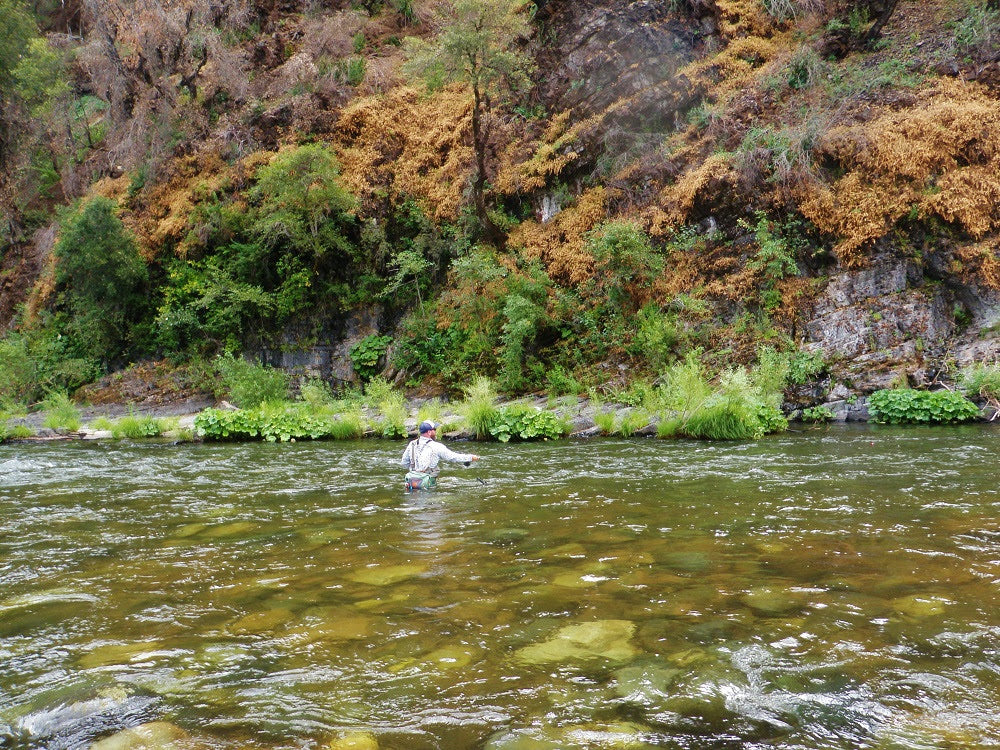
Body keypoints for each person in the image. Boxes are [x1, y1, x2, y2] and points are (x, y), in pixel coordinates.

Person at [401, 421, 480, 491]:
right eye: (434, 429)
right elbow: (453, 457)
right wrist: (470, 457)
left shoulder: (412, 444)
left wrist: (416, 472)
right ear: (429, 432)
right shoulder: (436, 446)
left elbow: (404, 463)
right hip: (427, 486)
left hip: (411, 483)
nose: (436, 432)